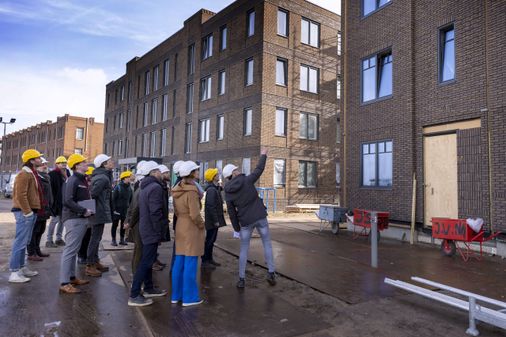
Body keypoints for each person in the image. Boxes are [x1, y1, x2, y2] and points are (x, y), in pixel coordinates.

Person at [223, 148, 276, 289]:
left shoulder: (228, 192)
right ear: (233, 174)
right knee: (267, 244)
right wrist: (263, 155)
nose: (239, 170)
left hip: (245, 222)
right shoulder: (247, 180)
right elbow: (259, 169)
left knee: (244, 249)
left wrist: (236, 229)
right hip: (260, 216)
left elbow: (231, 212)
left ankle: (241, 279)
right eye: (237, 169)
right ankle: (271, 272)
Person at [128, 162, 168, 307]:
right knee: (145, 262)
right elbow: (155, 212)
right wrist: (159, 232)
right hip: (151, 229)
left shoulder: (144, 186)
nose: (160, 172)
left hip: (145, 228)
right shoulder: (155, 187)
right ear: (153, 172)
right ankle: (134, 294)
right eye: (158, 170)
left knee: (148, 260)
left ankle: (149, 288)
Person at [171, 161, 205, 306]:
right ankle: (189, 297)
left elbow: (177, 211)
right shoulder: (191, 191)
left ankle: (176, 295)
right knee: (191, 262)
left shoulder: (177, 189)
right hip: (191, 227)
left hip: (180, 225)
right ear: (191, 173)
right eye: (196, 170)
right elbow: (195, 214)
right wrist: (202, 225)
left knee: (179, 261)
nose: (198, 172)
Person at [59, 154, 94, 294]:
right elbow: (67, 200)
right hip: (74, 219)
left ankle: (72, 277)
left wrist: (89, 210)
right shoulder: (72, 180)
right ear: (77, 165)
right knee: (70, 250)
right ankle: (64, 282)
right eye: (84, 162)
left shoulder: (82, 180)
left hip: (80, 217)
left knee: (74, 249)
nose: (87, 164)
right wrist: (84, 210)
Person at [8, 149, 43, 283]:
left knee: (24, 242)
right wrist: (28, 212)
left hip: (29, 212)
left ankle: (21, 267)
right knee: (20, 242)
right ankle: (14, 272)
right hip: (24, 213)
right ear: (32, 160)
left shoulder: (31, 173)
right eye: (38, 158)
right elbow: (20, 195)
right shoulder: (24, 174)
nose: (40, 160)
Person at [86, 154, 113, 277]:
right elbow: (91, 195)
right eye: (109, 161)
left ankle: (95, 261)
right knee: (95, 239)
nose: (112, 162)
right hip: (98, 212)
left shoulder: (102, 176)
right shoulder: (103, 178)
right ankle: (90, 265)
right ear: (104, 164)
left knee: (96, 238)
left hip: (98, 211)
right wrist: (90, 212)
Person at [27, 158, 53, 260]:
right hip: (38, 208)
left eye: (46, 164)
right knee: (34, 231)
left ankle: (37, 250)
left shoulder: (46, 176)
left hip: (45, 208)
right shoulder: (36, 177)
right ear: (38, 166)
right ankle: (31, 253)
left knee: (41, 230)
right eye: (43, 164)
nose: (45, 166)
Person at [124, 161, 147, 274]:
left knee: (138, 251)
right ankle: (137, 278)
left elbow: (131, 207)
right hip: (139, 225)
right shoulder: (141, 190)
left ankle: (136, 276)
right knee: (139, 252)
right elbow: (135, 209)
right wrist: (130, 223)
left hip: (136, 224)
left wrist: (128, 222)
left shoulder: (138, 189)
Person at [201, 168, 226, 269]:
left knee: (212, 240)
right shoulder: (211, 190)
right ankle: (205, 261)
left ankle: (209, 259)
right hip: (212, 221)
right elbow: (211, 206)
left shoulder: (215, 188)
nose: (218, 175)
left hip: (213, 220)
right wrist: (216, 220)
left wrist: (220, 187)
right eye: (216, 174)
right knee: (209, 240)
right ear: (212, 177)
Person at [47, 156, 69, 247]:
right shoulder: (52, 174)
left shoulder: (67, 172)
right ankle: (49, 240)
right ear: (57, 164)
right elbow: (51, 190)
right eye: (61, 162)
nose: (64, 163)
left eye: (65, 162)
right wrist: (52, 202)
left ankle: (59, 239)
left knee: (62, 221)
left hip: (64, 201)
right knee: (54, 220)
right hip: (56, 202)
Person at [111, 171, 133, 246]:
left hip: (125, 210)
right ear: (124, 178)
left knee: (123, 225)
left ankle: (122, 239)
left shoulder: (130, 188)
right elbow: (113, 199)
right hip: (117, 210)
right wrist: (113, 210)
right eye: (128, 178)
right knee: (115, 225)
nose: (130, 179)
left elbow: (131, 200)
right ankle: (113, 240)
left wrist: (130, 210)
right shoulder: (118, 187)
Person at [77, 166, 94, 265]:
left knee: (88, 235)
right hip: (84, 210)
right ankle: (81, 255)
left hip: (90, 209)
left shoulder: (88, 183)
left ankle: (84, 255)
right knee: (84, 235)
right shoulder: (83, 183)